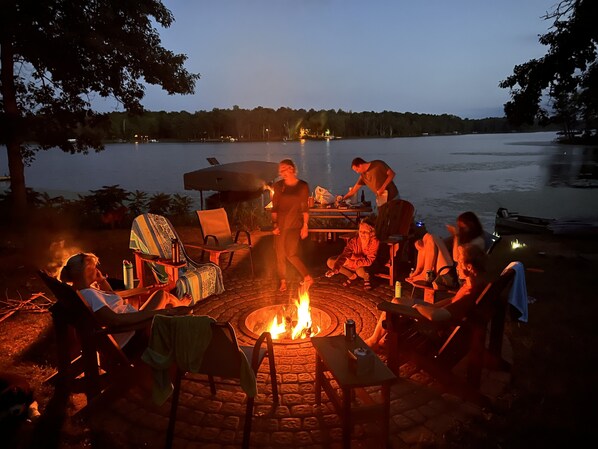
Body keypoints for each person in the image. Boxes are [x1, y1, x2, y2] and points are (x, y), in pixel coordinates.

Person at [364, 243, 489, 350]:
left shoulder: (469, 294)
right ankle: (378, 339)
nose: (456, 266)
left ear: (469, 267)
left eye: (460, 262)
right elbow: (452, 299)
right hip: (440, 315)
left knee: (393, 306)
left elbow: (436, 316)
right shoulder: (473, 283)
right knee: (397, 300)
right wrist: (432, 306)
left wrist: (418, 306)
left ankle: (374, 341)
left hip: (437, 328)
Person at [59, 252, 191, 349]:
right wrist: (165, 312)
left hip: (131, 323)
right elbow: (116, 320)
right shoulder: (89, 295)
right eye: (94, 267)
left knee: (162, 295)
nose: (97, 270)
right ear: (87, 270)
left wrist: (101, 280)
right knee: (176, 316)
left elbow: (111, 298)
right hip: (133, 333)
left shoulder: (83, 291)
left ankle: (179, 305)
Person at [271, 159, 314, 292]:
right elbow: (275, 208)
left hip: (295, 225)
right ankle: (283, 281)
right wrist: (275, 224)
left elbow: (304, 208)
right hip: (281, 225)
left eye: (284, 169)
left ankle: (307, 277)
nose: (281, 172)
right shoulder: (278, 186)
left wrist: (305, 225)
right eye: (280, 170)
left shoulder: (302, 186)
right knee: (280, 254)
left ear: (291, 169)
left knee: (290, 253)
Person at [407, 211, 485, 284]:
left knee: (431, 237)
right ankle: (419, 271)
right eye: (459, 227)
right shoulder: (463, 237)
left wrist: (456, 235)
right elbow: (435, 245)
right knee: (427, 238)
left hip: (453, 276)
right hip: (448, 270)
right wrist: (421, 245)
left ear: (471, 226)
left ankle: (426, 273)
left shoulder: (478, 241)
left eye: (462, 228)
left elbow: (456, 258)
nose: (460, 230)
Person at [341, 157, 400, 240]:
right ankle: (384, 241)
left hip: (392, 196)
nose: (357, 172)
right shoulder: (363, 176)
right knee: (382, 221)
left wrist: (383, 187)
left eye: (357, 169)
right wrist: (342, 198)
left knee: (394, 219)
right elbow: (354, 190)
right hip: (381, 199)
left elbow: (392, 174)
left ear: (360, 165)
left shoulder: (378, 165)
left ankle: (396, 242)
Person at [325, 218, 379, 290]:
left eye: (365, 232)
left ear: (371, 233)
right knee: (331, 262)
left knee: (361, 271)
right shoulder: (354, 241)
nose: (362, 234)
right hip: (354, 263)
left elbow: (369, 261)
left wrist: (351, 262)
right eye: (360, 231)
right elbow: (345, 255)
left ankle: (367, 278)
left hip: (365, 266)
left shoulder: (374, 242)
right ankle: (352, 277)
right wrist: (335, 269)